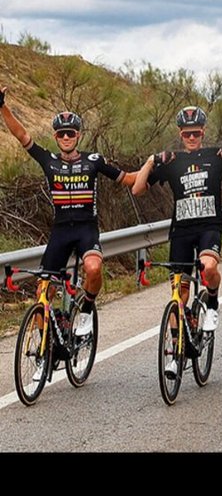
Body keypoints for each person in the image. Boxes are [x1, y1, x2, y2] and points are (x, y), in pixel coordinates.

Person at [0, 84, 138, 344]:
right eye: (61, 133)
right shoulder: (48, 160)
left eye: (70, 133)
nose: (66, 137)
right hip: (61, 231)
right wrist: (2, 106)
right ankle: (45, 346)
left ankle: (85, 311)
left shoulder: (94, 160)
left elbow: (128, 179)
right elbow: (21, 135)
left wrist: (156, 167)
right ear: (55, 136)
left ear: (78, 135)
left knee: (94, 267)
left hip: (87, 230)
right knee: (43, 293)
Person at [132, 105, 222, 350]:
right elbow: (137, 189)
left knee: (208, 267)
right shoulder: (172, 161)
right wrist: (150, 162)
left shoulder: (216, 156)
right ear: (180, 134)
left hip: (209, 227)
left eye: (196, 133)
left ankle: (212, 304)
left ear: (203, 132)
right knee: (178, 294)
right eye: (186, 134)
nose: (191, 138)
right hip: (181, 231)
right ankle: (176, 350)